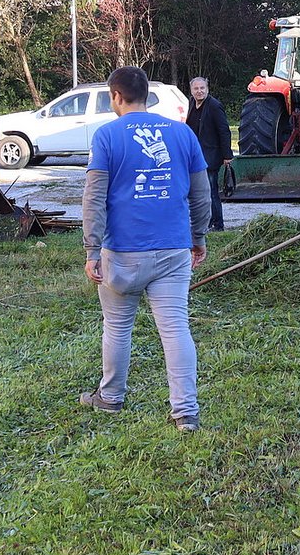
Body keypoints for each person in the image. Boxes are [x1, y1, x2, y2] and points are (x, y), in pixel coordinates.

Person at [79, 66, 210, 432]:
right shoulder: (182, 133)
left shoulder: (106, 136)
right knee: (175, 328)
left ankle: (110, 397)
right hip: (173, 249)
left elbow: (94, 198)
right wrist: (198, 237)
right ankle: (185, 412)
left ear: (116, 96)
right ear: (146, 95)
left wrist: (92, 250)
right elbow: (201, 194)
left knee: (117, 326)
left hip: (122, 253)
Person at [186, 77, 232, 232]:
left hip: (211, 154)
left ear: (207, 89)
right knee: (200, 191)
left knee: (211, 190)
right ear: (191, 91)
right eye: (196, 89)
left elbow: (224, 131)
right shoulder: (192, 103)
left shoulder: (214, 106)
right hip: (196, 154)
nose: (199, 91)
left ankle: (218, 224)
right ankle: (207, 221)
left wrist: (227, 155)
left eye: (202, 88)